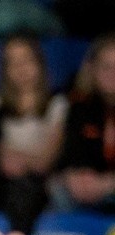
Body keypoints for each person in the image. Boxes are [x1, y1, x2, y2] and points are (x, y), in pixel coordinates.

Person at [0, 35, 66, 235]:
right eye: (12, 63)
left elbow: (44, 162)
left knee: (26, 190)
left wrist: (22, 161)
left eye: (26, 60)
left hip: (42, 185)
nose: (21, 69)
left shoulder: (57, 104)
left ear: (40, 63)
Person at [57, 36, 115, 216]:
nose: (112, 74)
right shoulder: (79, 107)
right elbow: (69, 154)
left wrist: (108, 183)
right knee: (57, 191)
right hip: (85, 190)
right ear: (92, 69)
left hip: (109, 186)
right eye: (106, 67)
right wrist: (73, 177)